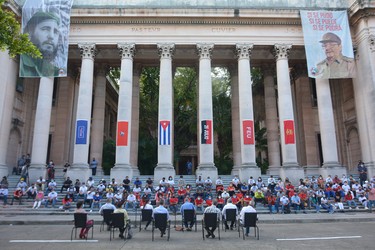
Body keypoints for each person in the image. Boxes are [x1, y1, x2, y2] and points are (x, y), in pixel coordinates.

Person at [20, 11, 61, 77]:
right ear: (30, 31)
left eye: (55, 32)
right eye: (45, 29)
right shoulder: (21, 61)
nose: (51, 36)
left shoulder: (54, 70)